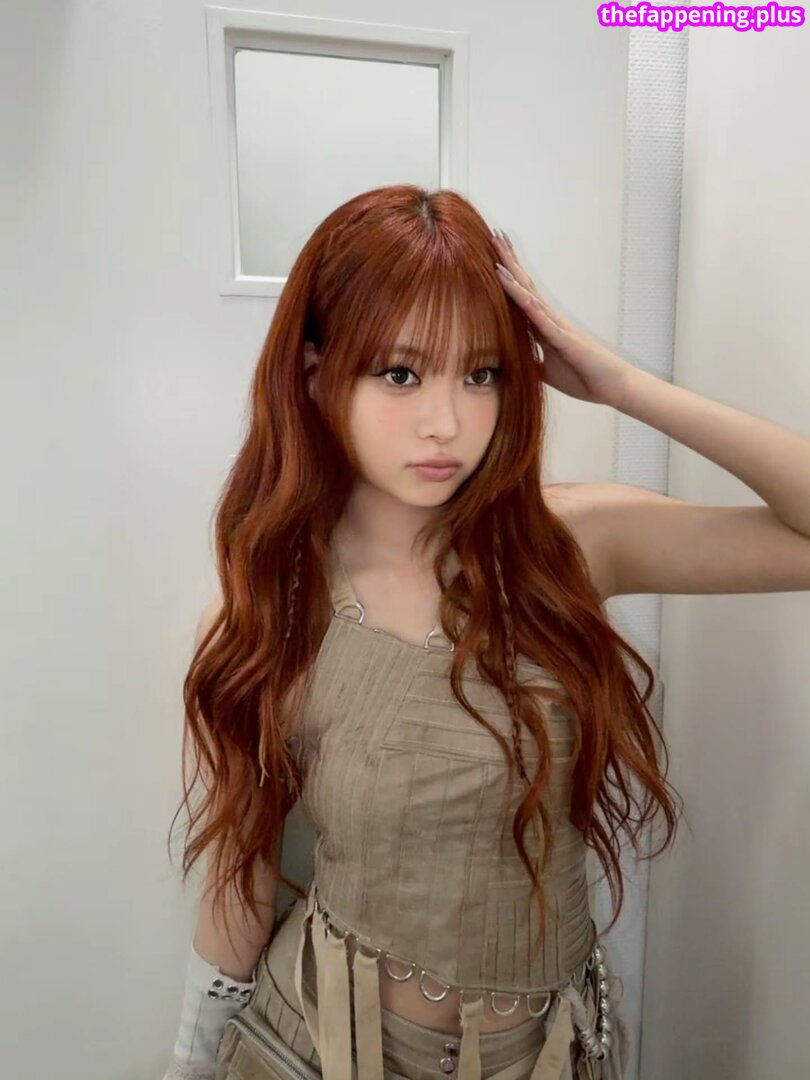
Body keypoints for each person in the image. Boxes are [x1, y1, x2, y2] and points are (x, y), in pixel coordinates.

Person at [161, 184, 678, 1079]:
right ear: (317, 374)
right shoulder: (276, 610)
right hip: (317, 1047)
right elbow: (240, 879)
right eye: (400, 374)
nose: (447, 424)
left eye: (481, 374)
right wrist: (187, 1064)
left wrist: (621, 384)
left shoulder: (567, 548)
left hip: (545, 1054)